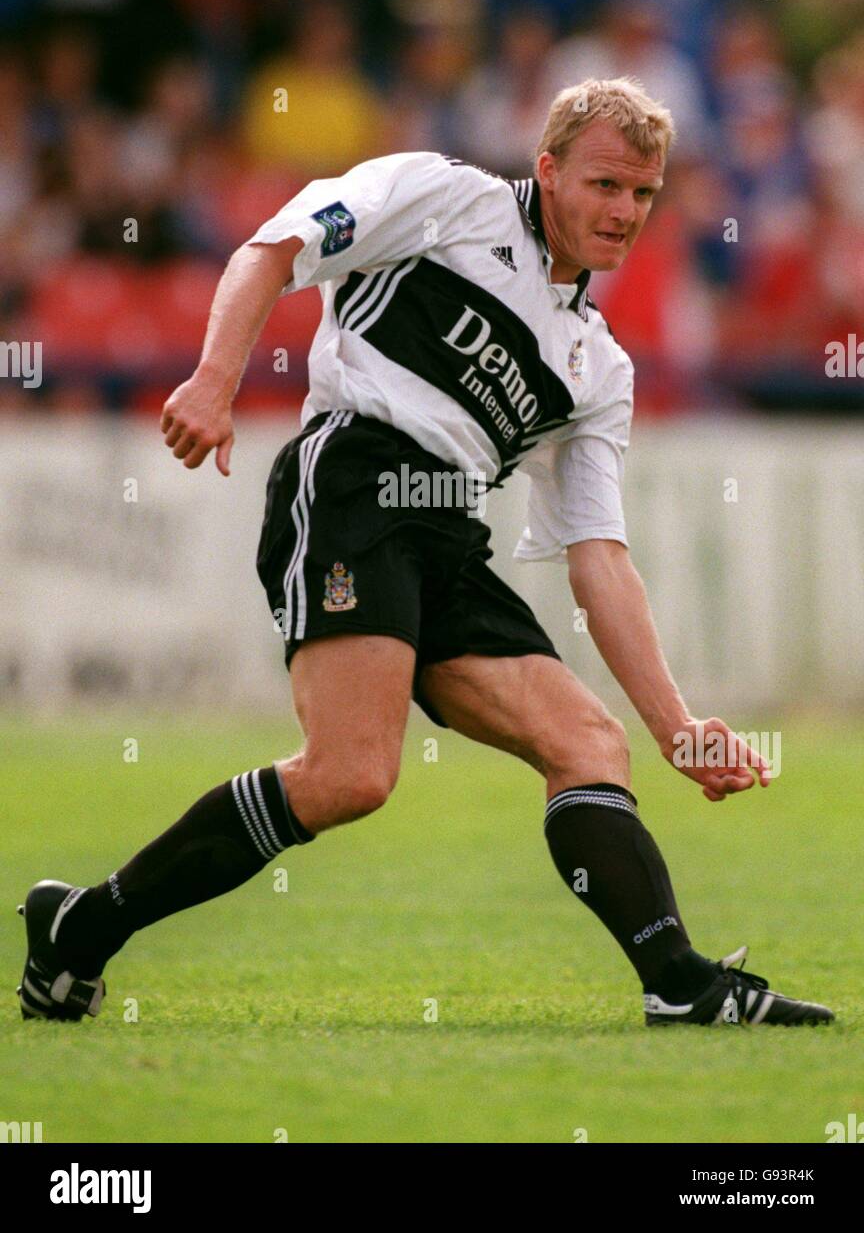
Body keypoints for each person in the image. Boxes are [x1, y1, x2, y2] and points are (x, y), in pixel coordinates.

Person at [18, 79, 833, 1027]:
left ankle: (680, 984)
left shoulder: (599, 366)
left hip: (449, 531)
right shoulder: (445, 198)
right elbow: (269, 250)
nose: (623, 213)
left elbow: (599, 556)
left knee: (588, 743)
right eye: (605, 185)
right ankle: (84, 930)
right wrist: (213, 378)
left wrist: (677, 728)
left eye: (643, 196)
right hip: (353, 480)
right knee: (350, 777)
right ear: (548, 168)